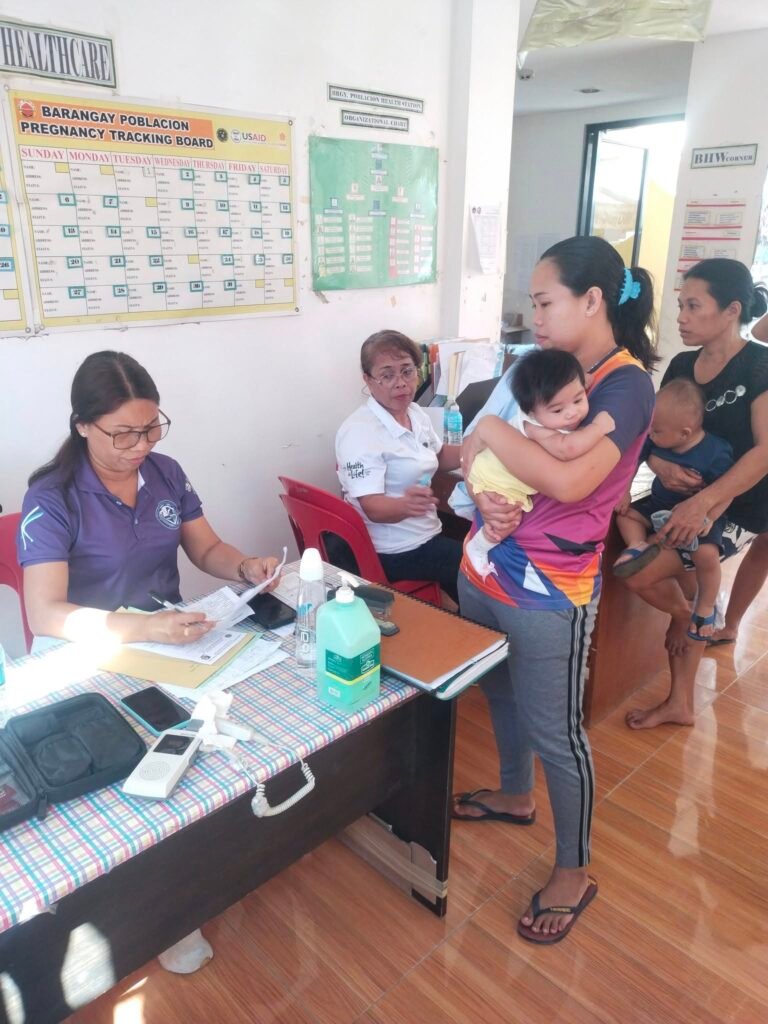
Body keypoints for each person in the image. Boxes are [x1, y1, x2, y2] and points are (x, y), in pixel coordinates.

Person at [452, 235, 656, 944]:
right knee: (499, 693)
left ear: (593, 300)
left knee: (557, 732)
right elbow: (467, 449)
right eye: (532, 305)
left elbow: (569, 480)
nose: (533, 317)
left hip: (549, 590)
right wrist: (485, 494)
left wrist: (492, 436)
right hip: (484, 565)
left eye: (545, 302)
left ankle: (573, 869)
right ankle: (515, 796)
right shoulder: (538, 367)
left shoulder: (625, 386)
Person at [18, 350, 281, 647]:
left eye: (151, 428)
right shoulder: (51, 499)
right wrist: (146, 628)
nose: (142, 445)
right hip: (85, 644)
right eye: (124, 434)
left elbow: (207, 549)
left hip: (167, 634)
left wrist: (244, 566)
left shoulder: (165, 472)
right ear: (82, 426)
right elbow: (45, 615)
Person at [623, 259, 768, 729]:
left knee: (645, 573)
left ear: (731, 310)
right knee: (673, 575)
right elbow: (656, 433)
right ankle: (681, 696)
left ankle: (693, 620)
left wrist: (702, 503)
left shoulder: (760, 365)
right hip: (678, 500)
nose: (681, 318)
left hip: (737, 504)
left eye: (692, 306)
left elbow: (764, 452)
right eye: (680, 305)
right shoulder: (683, 365)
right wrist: (658, 463)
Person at [465, 347, 616, 578]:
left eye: (578, 399)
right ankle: (478, 546)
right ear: (532, 412)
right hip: (496, 482)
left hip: (489, 468)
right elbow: (567, 448)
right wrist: (598, 427)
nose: (572, 413)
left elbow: (576, 384)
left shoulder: (550, 406)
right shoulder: (535, 428)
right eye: (558, 410)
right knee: (507, 521)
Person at [335, 329, 463, 602]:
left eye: (407, 371)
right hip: (394, 549)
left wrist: (478, 446)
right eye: (387, 375)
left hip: (425, 532)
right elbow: (373, 508)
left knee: (478, 548)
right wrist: (405, 505)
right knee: (478, 568)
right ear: (368, 380)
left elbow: (438, 455)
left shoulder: (415, 413)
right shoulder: (360, 432)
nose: (401, 383)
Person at [613, 379, 734, 640]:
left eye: (656, 431)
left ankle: (705, 606)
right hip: (659, 506)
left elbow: (728, 490)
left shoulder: (715, 452)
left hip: (697, 519)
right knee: (626, 515)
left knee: (707, 556)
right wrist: (624, 490)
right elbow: (633, 460)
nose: (650, 435)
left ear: (684, 434)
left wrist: (709, 517)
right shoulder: (656, 439)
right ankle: (637, 546)